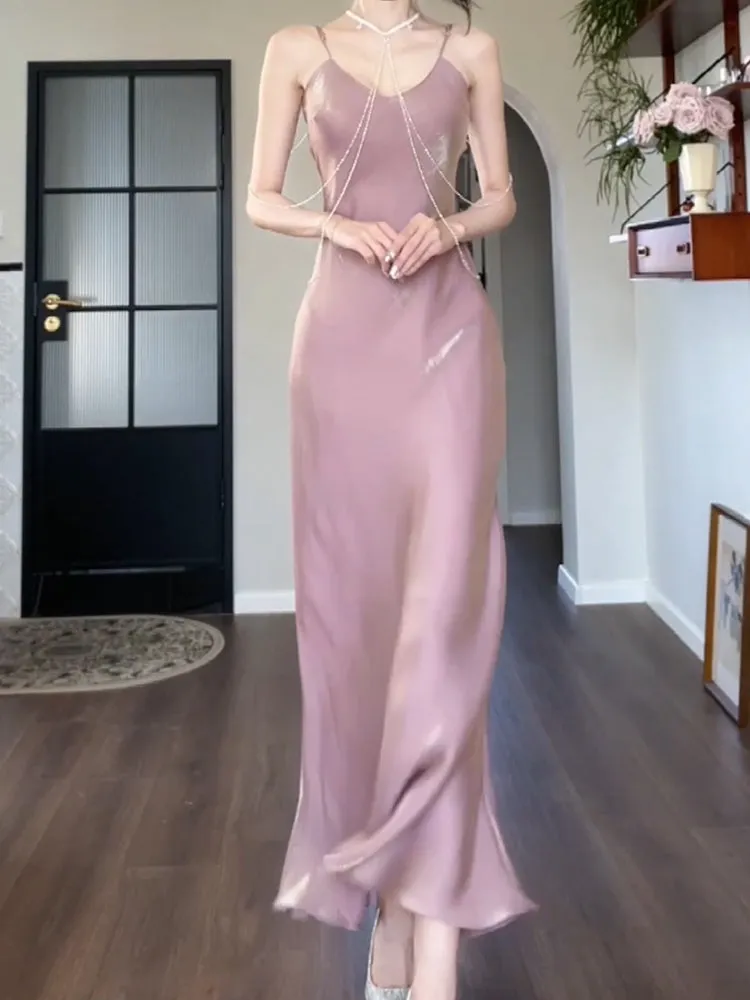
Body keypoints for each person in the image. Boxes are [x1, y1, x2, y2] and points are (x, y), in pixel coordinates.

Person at [246, 2, 535, 998]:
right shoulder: (298, 48)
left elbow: (501, 196)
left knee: (443, 641)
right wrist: (336, 221)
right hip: (338, 352)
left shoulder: (470, 49)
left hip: (448, 342)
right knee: (362, 642)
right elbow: (260, 198)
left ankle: (436, 956)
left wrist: (446, 224)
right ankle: (395, 921)